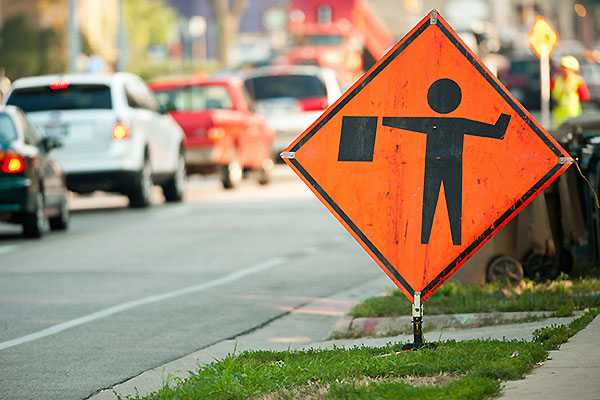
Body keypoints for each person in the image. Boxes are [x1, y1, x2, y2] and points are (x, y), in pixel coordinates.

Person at [551, 55, 590, 128]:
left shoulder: (578, 81)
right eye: (561, 67)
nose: (562, 69)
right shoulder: (556, 79)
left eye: (564, 67)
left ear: (571, 69)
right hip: (558, 115)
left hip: (573, 114)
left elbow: (585, 97)